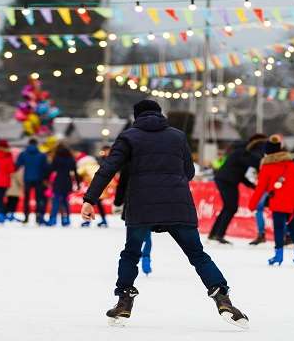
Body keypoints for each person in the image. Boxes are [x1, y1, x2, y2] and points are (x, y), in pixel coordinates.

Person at [81, 100, 248, 329]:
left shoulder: (129, 137)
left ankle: (123, 302)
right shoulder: (177, 136)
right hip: (177, 205)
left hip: (142, 206)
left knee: (131, 253)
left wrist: (90, 199)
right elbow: (189, 171)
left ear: (136, 116)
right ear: (160, 114)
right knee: (198, 255)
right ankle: (222, 298)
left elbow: (108, 168)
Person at [248, 135, 294, 266]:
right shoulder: (291, 164)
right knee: (293, 228)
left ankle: (278, 256)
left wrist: (252, 204)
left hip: (279, 201)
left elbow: (260, 188)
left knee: (279, 229)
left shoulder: (267, 166)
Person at [208, 134, 268, 244]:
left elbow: (241, 174)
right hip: (227, 181)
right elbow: (254, 162)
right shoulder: (244, 152)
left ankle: (214, 234)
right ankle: (218, 235)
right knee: (231, 208)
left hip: (225, 180)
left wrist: (253, 186)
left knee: (228, 208)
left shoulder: (243, 151)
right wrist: (262, 164)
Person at [16, 138, 49, 224]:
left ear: (28, 144)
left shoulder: (23, 154)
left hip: (27, 179)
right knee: (39, 199)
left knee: (26, 199)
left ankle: (26, 216)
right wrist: (45, 178)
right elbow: (46, 168)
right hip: (39, 179)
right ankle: (38, 216)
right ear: (36, 144)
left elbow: (18, 165)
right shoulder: (42, 155)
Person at [47, 144, 80, 226]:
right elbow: (75, 172)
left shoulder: (56, 159)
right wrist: (78, 184)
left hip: (58, 181)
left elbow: (51, 170)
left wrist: (46, 179)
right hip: (67, 181)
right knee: (65, 201)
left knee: (56, 201)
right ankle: (66, 219)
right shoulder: (71, 159)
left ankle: (53, 219)